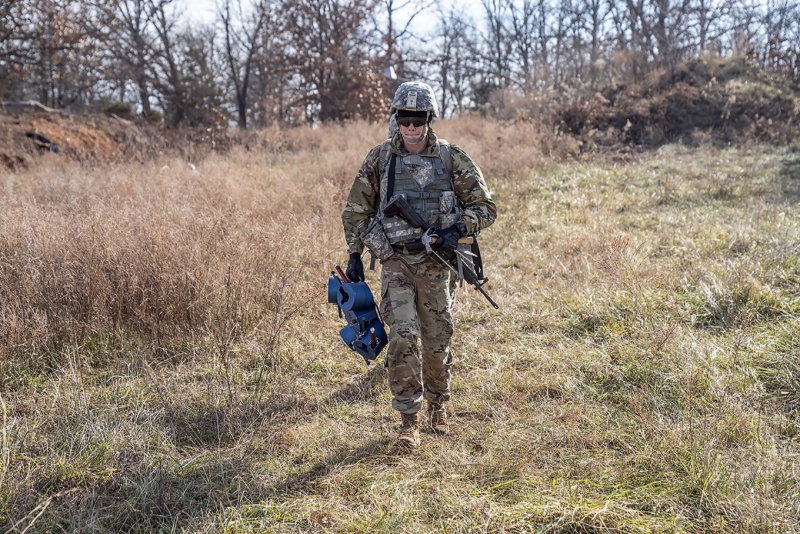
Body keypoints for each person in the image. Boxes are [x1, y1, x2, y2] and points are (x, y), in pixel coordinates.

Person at [341, 81, 497, 452]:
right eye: (405, 119)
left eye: (419, 119)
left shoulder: (450, 158)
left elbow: (486, 207)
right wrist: (354, 255)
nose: (412, 127)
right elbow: (356, 209)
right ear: (396, 119)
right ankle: (408, 421)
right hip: (396, 261)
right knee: (403, 335)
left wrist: (457, 228)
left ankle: (437, 406)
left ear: (430, 119)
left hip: (437, 264)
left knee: (437, 338)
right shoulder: (380, 159)